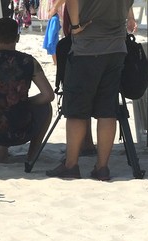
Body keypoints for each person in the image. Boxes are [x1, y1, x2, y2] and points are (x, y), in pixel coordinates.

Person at [45, 0, 134, 180]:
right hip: (116, 44)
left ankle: (71, 164)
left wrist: (75, 25)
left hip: (88, 45)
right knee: (107, 109)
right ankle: (102, 167)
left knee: (76, 110)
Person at [0, 17, 54, 163]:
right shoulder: (28, 61)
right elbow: (48, 95)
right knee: (46, 107)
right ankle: (32, 155)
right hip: (22, 130)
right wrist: (26, 101)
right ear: (18, 37)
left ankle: (2, 151)